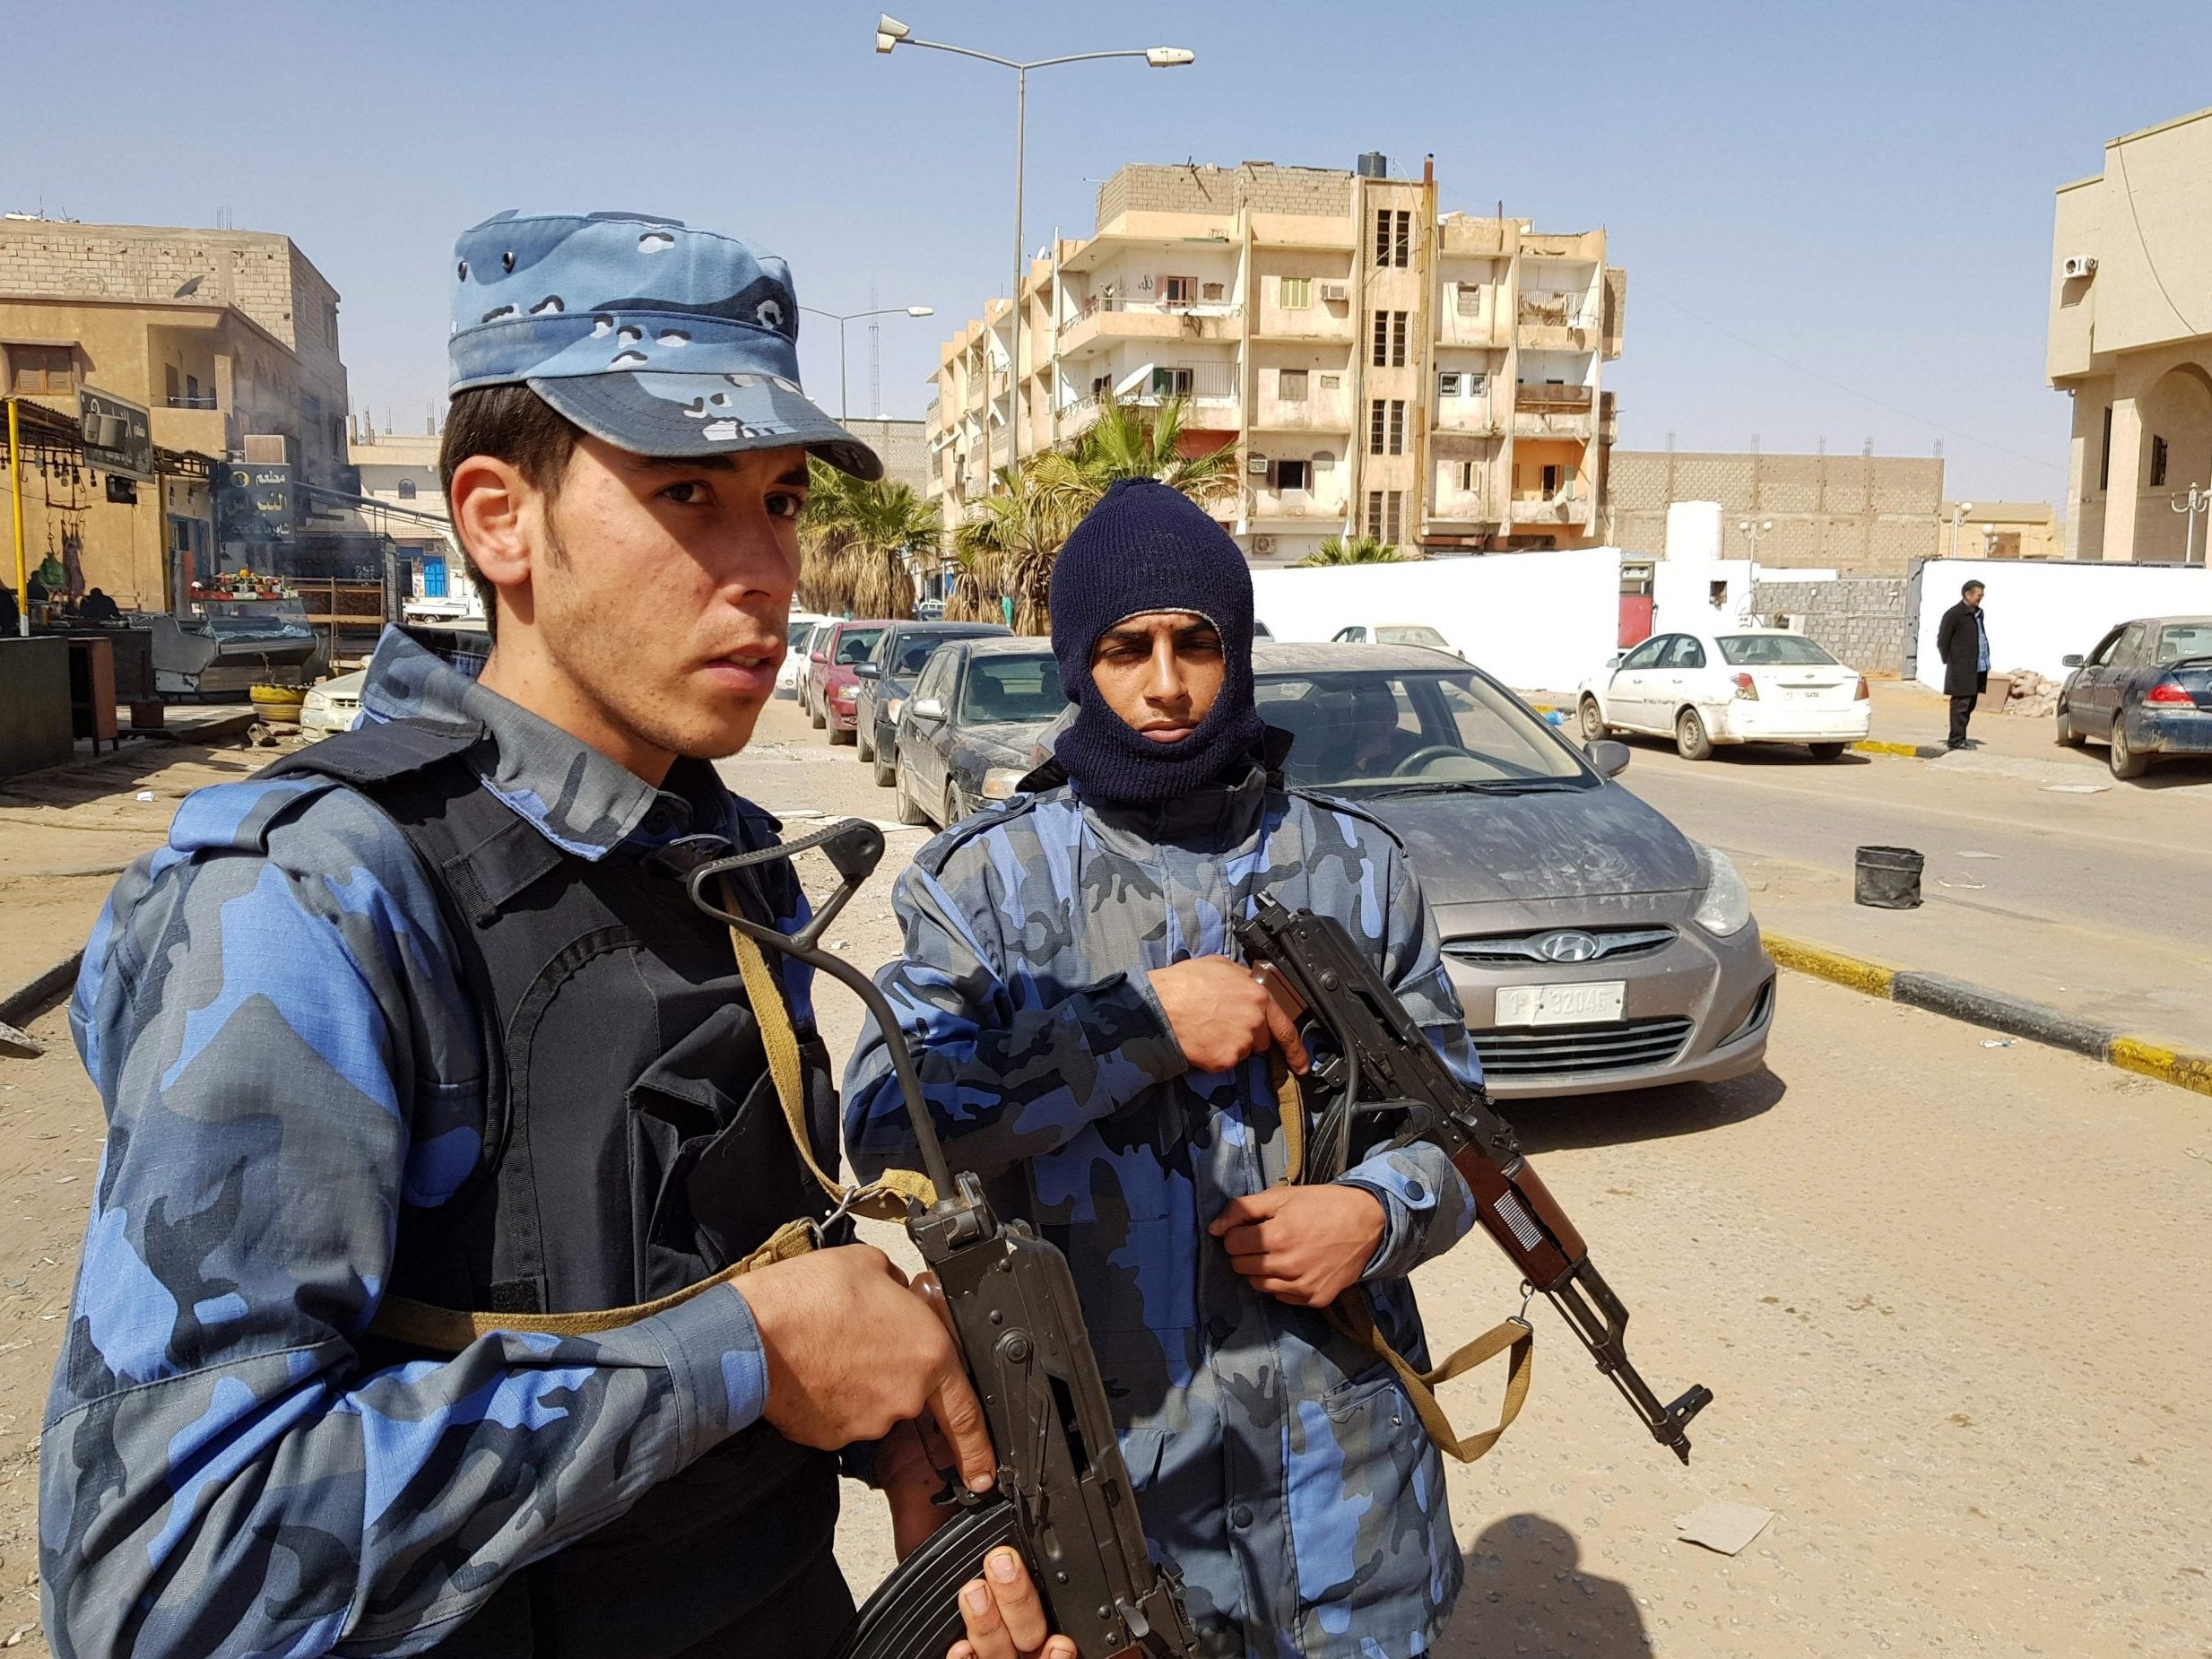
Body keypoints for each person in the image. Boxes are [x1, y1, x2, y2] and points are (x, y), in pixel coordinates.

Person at [42, 211, 1063, 1659]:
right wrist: (745, 1357)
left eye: (780, 500)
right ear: (495, 518)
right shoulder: (315, 902)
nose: (767, 569)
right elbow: (167, 1576)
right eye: (689, 494)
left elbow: (704, 1282)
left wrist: (888, 1417)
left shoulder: (725, 867)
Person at [846, 479, 1484, 1658]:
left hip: (1342, 1517)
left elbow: (1460, 1135)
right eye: (1125, 647)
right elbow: (885, 1122)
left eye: (1196, 643)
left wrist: (1371, 1213)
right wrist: (1132, 1028)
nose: (1166, 682)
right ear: (1074, 660)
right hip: (1109, 1521)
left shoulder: (1357, 868)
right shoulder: (983, 885)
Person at [1937, 579, 1990, 749]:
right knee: (1961, 705)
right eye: (1978, 595)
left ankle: (1960, 737)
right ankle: (1956, 740)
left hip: (1978, 668)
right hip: (1962, 669)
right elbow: (1943, 641)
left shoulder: (1978, 614)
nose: (1981, 598)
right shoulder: (1954, 614)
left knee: (1970, 704)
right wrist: (1953, 662)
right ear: (1968, 594)